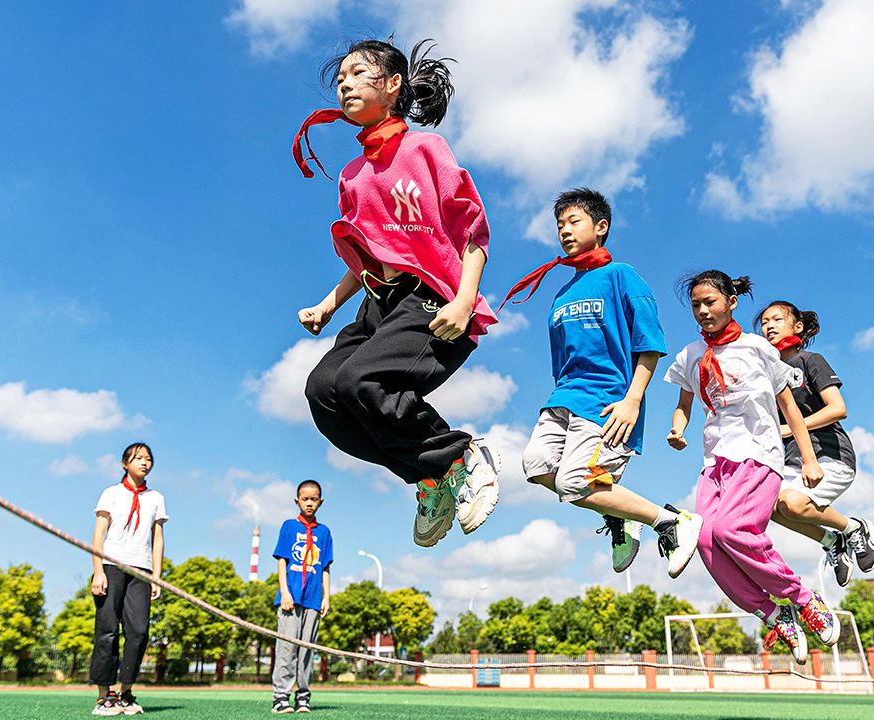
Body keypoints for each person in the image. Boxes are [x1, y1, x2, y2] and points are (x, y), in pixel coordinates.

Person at [293, 38, 501, 548]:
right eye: (339, 76)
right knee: (325, 393)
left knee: (365, 381)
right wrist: (328, 304)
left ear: (392, 86)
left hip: (433, 297)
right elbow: (371, 251)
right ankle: (429, 479)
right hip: (377, 302)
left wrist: (463, 299)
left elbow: (473, 231)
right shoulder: (352, 174)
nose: (343, 82)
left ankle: (460, 457)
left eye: (357, 73)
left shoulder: (424, 149)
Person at [504, 188, 701, 577]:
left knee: (576, 481)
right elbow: (561, 360)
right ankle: (620, 516)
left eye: (573, 221)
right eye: (559, 225)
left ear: (601, 226)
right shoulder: (561, 294)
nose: (564, 231)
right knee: (536, 464)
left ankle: (671, 522)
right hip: (564, 397)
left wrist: (632, 401)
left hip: (608, 400)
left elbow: (651, 345)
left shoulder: (622, 276)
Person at [663, 272, 839, 664]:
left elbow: (789, 408)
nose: (703, 311)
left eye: (710, 301)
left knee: (732, 530)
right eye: (696, 305)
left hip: (759, 454)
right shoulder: (690, 354)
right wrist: (677, 429)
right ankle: (775, 614)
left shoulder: (759, 348)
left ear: (731, 302)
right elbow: (684, 405)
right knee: (705, 541)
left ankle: (804, 598)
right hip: (714, 461)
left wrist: (809, 459)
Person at [756, 301, 874, 586]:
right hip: (790, 461)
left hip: (829, 455)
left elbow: (838, 408)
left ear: (797, 327)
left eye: (776, 319)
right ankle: (832, 541)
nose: (769, 326)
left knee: (791, 503)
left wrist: (791, 428)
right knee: (769, 508)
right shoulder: (766, 374)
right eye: (764, 322)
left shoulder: (810, 360)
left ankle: (853, 527)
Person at [88, 443, 167, 716]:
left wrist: (157, 577)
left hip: (141, 570)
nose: (144, 463)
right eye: (138, 458)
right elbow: (98, 535)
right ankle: (103, 695)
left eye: (148, 459)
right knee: (107, 630)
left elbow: (157, 539)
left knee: (138, 632)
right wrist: (98, 570)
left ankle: (126, 692)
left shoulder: (156, 497)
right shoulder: (111, 493)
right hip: (111, 565)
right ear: (125, 463)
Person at [271, 480, 333, 714]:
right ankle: (280, 697)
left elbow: (325, 567)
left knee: (307, 651)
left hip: (313, 600)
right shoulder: (288, 526)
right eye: (305, 499)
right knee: (286, 649)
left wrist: (326, 596)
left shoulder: (324, 533)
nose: (309, 503)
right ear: (297, 501)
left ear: (321, 502)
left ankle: (303, 697)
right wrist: (285, 591)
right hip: (291, 598)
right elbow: (282, 560)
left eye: (314, 499)